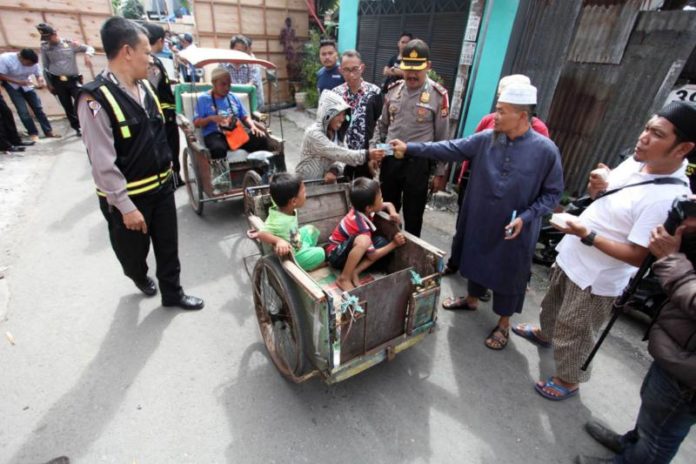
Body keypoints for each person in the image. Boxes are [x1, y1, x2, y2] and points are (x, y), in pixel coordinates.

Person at [512, 101, 694, 400]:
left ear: (682, 148)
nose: (644, 137)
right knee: (553, 305)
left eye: (657, 134)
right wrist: (598, 187)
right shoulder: (636, 162)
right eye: (646, 128)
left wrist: (588, 234)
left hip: (597, 278)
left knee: (575, 330)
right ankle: (545, 333)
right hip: (573, 256)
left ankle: (569, 379)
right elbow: (607, 197)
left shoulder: (668, 197)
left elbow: (639, 255)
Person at [390, 83, 564, 350]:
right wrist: (410, 147)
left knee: (509, 272)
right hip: (481, 218)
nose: (495, 116)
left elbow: (552, 195)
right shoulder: (486, 139)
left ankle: (503, 324)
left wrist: (527, 217)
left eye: (502, 111)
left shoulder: (546, 150)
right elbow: (448, 147)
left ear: (522, 116)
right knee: (476, 256)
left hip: (517, 228)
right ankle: (471, 299)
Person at [77, 16, 204, 310]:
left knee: (168, 247)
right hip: (129, 199)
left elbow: (157, 132)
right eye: (147, 51)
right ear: (127, 52)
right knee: (133, 253)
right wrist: (125, 206)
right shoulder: (94, 100)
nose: (151, 58)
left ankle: (172, 293)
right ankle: (137, 275)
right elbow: (101, 161)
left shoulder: (145, 88)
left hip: (161, 188)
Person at [578, 198, 696, 464]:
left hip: (689, 370)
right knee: (655, 407)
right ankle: (631, 443)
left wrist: (672, 262)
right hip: (680, 350)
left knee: (661, 434)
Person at [372, 39, 450, 237]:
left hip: (418, 163)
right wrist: (375, 151)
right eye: (408, 69)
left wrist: (440, 172)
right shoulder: (393, 90)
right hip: (390, 158)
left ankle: (412, 255)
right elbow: (383, 125)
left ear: (428, 67)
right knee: (385, 209)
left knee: (413, 213)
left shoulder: (438, 96)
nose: (412, 74)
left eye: (418, 69)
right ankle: (385, 248)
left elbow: (442, 137)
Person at [327, 177, 405, 291]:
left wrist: (393, 212)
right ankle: (344, 278)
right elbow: (372, 256)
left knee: (382, 242)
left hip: (347, 251)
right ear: (369, 207)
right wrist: (394, 244)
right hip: (335, 255)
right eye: (380, 198)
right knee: (365, 241)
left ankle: (355, 271)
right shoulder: (360, 224)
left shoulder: (363, 208)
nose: (382, 200)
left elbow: (388, 205)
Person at [295, 90, 384, 181]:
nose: (342, 119)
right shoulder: (313, 134)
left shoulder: (338, 133)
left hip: (327, 186)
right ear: (327, 115)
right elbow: (340, 153)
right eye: (338, 114)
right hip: (308, 184)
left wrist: (334, 170)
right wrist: (367, 154)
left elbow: (342, 159)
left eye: (344, 115)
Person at [193, 66, 267, 160]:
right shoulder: (203, 99)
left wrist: (253, 126)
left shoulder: (233, 97)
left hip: (235, 133)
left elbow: (244, 117)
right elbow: (196, 123)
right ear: (214, 83)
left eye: (229, 84)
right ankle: (223, 174)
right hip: (216, 135)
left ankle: (259, 170)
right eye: (223, 84)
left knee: (260, 138)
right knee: (218, 149)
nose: (227, 88)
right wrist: (211, 118)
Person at [255, 173, 325, 271]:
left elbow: (273, 193)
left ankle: (307, 252)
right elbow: (261, 234)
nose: (306, 195)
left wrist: (275, 180)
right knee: (321, 253)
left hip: (294, 238)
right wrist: (279, 241)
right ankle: (306, 263)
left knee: (311, 229)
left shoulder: (282, 202)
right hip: (293, 255)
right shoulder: (279, 221)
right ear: (293, 202)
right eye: (304, 193)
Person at [143, 23, 184, 187]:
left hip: (164, 113)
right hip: (164, 114)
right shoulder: (151, 62)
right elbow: (150, 89)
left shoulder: (153, 60)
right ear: (159, 40)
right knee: (171, 148)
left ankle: (174, 179)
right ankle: (173, 181)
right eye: (164, 41)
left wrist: (169, 82)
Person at [37, 22, 95, 137]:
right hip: (57, 81)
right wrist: (49, 84)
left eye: (49, 37)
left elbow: (89, 48)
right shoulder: (45, 47)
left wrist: (88, 55)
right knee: (67, 106)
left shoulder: (70, 44)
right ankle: (77, 127)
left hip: (73, 80)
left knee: (83, 102)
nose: (48, 40)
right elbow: (45, 67)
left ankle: (93, 124)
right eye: (46, 38)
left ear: (55, 34)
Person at [331, 50, 382, 179]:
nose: (352, 74)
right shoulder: (335, 94)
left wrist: (376, 154)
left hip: (366, 156)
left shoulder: (374, 92)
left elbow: (381, 126)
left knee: (364, 195)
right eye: (346, 70)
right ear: (341, 70)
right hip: (342, 156)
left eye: (355, 69)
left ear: (362, 68)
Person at [0, 48, 58, 142]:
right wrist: (17, 81)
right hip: (13, 85)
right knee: (23, 111)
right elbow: (1, 74)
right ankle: (33, 133)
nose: (30, 66)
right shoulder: (5, 59)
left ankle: (48, 131)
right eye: (28, 64)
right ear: (22, 58)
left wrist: (40, 80)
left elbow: (37, 73)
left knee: (38, 108)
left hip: (27, 84)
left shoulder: (33, 62)